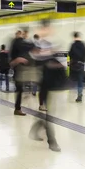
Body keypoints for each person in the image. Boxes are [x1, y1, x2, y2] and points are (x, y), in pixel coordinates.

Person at [28, 19, 64, 152]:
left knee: (50, 112)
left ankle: (36, 127)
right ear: (43, 29)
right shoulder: (38, 44)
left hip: (51, 82)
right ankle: (52, 141)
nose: (50, 30)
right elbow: (37, 59)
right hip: (43, 82)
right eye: (48, 28)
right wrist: (50, 57)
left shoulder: (49, 43)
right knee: (50, 113)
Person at [10, 30, 34, 116]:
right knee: (19, 89)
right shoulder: (17, 43)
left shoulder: (15, 43)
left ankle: (18, 108)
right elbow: (31, 46)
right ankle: (17, 109)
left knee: (19, 89)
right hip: (19, 70)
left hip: (19, 70)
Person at [69, 32, 85, 103]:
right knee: (80, 80)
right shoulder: (83, 45)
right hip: (82, 64)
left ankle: (78, 93)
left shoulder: (73, 45)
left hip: (74, 64)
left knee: (75, 79)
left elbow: (70, 54)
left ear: (74, 37)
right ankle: (79, 94)